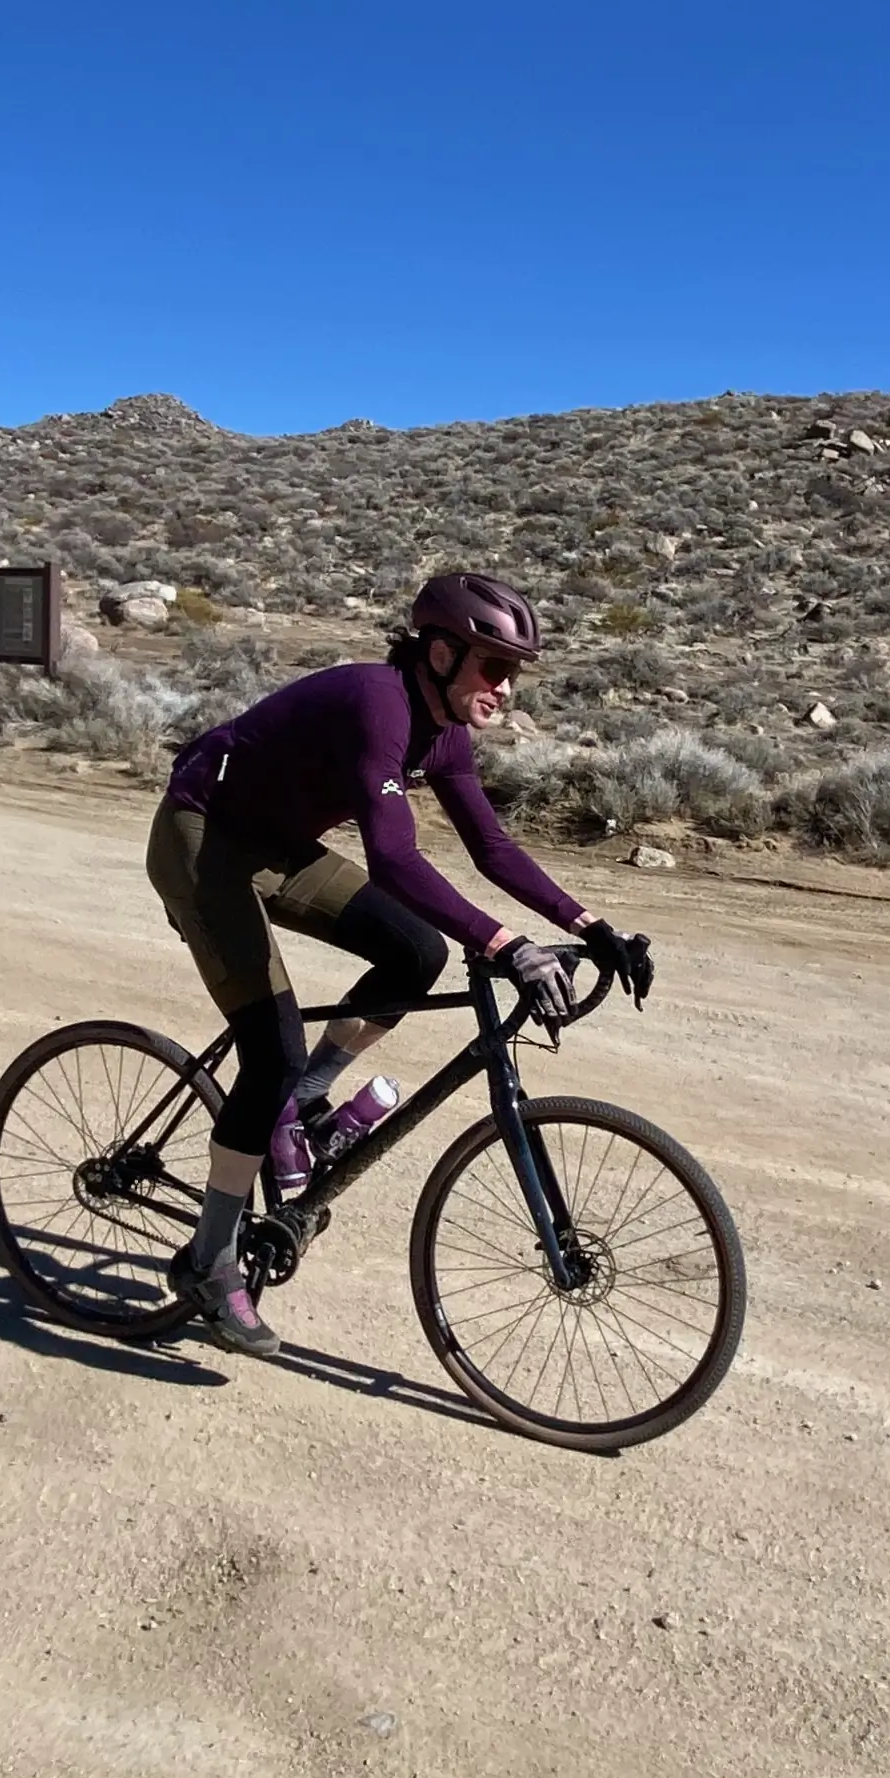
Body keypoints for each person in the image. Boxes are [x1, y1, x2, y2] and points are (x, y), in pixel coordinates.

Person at [146, 571, 655, 1355]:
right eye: (495, 667)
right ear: (443, 652)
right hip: (202, 839)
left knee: (414, 949)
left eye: (514, 672)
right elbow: (392, 857)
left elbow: (490, 846)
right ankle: (209, 1262)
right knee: (269, 1048)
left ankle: (302, 1106)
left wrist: (589, 925)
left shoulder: (445, 732)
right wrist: (503, 944)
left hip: (276, 846)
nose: (507, 689)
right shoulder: (378, 703)